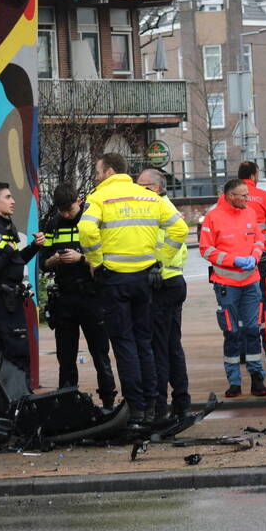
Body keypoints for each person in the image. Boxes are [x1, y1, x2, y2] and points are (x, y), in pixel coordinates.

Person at [77, 153, 188, 433]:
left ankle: (136, 410)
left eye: (98, 171)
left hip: (115, 279)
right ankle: (152, 407)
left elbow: (86, 228)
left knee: (124, 344)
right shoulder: (148, 196)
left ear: (110, 171)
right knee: (145, 342)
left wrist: (97, 262)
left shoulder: (100, 197)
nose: (96, 176)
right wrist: (159, 259)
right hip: (145, 280)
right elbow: (180, 227)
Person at [39, 182, 117, 409]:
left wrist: (81, 258)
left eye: (69, 209)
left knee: (100, 353)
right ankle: (67, 401)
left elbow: (107, 257)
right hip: (65, 298)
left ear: (78, 202)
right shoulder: (54, 224)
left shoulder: (92, 221)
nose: (65, 214)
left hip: (91, 296)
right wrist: (52, 260)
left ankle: (108, 401)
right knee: (65, 355)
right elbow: (44, 261)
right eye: (61, 209)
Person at [199, 179, 266, 398]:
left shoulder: (249, 213)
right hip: (226, 284)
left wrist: (254, 257)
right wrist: (234, 260)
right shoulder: (213, 217)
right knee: (232, 332)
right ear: (230, 196)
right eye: (243, 195)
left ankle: (257, 378)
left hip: (250, 282)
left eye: (247, 195)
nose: (247, 199)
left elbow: (259, 240)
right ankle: (234, 381)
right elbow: (206, 249)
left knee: (252, 330)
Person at [137, 168, 190, 424]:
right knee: (172, 346)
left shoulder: (157, 209)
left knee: (159, 348)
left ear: (155, 188)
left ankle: (161, 407)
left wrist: (158, 263)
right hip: (172, 281)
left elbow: (172, 239)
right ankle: (181, 402)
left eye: (141, 185)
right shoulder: (166, 208)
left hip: (162, 283)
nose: (137, 190)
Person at [0, 182, 45, 377]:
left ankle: (10, 402)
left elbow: (11, 263)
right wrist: (7, 251)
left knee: (10, 353)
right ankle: (9, 403)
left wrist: (33, 247)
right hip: (2, 304)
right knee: (11, 354)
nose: (13, 201)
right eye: (8, 197)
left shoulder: (2, 227)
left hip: (7, 302)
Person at [237, 161, 266, 362]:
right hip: (261, 256)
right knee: (264, 302)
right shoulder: (262, 196)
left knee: (238, 303)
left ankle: (242, 352)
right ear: (254, 176)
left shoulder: (227, 197)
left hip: (237, 259)